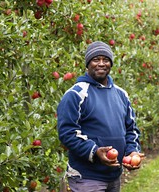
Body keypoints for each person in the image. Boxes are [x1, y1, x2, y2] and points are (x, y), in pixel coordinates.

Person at [57, 41, 143, 192]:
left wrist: (132, 152)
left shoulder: (121, 94)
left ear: (111, 63)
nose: (101, 64)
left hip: (114, 175)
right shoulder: (76, 94)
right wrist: (95, 151)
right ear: (87, 64)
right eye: (96, 60)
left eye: (106, 60)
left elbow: (131, 129)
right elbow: (67, 133)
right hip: (87, 177)